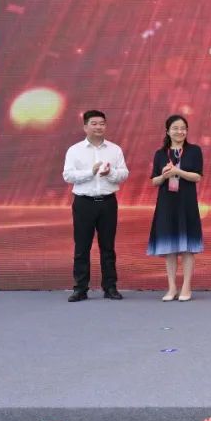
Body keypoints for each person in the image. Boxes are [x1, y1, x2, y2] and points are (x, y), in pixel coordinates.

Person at [62, 110, 129, 302]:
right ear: (85, 127)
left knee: (108, 247)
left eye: (102, 123)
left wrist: (110, 173)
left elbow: (124, 173)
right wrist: (90, 172)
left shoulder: (114, 150)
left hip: (108, 202)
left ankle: (110, 287)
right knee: (82, 247)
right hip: (84, 202)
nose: (99, 127)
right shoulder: (74, 150)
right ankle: (80, 288)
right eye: (94, 123)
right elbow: (68, 175)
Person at [148, 114, 204, 302]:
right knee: (169, 248)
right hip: (166, 203)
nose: (180, 132)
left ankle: (186, 286)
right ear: (167, 131)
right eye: (175, 128)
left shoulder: (194, 151)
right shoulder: (160, 154)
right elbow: (154, 181)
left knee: (188, 248)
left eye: (183, 128)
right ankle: (171, 287)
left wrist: (178, 171)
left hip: (187, 203)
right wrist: (164, 176)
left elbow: (197, 177)